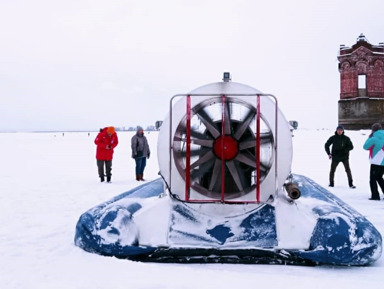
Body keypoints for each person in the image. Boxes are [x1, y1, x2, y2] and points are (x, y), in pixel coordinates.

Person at [363, 123, 384, 200]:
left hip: (376, 161)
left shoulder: (374, 138)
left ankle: (375, 195)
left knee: (373, 179)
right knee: (379, 178)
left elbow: (365, 147)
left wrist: (369, 137)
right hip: (383, 162)